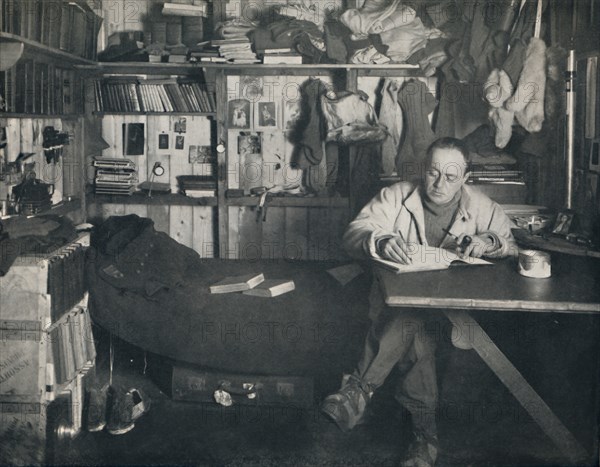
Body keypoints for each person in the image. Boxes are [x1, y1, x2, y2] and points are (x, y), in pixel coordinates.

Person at [321, 137, 517, 467]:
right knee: (415, 327)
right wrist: (379, 239)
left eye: (451, 177)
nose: (440, 184)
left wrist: (489, 240)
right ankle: (424, 439)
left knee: (412, 323)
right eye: (433, 173)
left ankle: (359, 390)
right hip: (402, 308)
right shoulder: (395, 196)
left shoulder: (482, 205)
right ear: (423, 169)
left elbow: (510, 244)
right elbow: (353, 233)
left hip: (458, 314)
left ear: (466, 178)